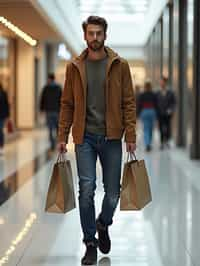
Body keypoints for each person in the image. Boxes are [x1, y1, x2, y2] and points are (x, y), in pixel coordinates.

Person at [57, 16, 136, 265]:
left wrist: (131, 136)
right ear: (85, 36)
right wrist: (62, 135)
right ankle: (90, 242)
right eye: (90, 33)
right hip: (85, 138)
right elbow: (67, 104)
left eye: (98, 33)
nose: (94, 38)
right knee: (87, 189)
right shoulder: (74, 67)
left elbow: (129, 102)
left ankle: (103, 223)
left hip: (112, 136)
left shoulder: (119, 65)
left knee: (113, 193)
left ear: (105, 35)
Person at [40, 73, 62, 151]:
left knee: (50, 129)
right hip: (57, 111)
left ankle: (53, 144)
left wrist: (42, 109)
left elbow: (42, 99)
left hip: (49, 111)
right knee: (57, 128)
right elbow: (62, 100)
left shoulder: (46, 88)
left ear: (49, 79)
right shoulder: (58, 87)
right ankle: (56, 143)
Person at [157, 76, 176, 149]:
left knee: (168, 127)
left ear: (165, 82)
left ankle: (167, 140)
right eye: (161, 81)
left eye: (163, 81)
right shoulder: (157, 92)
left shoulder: (170, 92)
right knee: (161, 128)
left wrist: (171, 109)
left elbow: (174, 102)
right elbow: (156, 102)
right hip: (160, 113)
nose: (161, 83)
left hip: (168, 113)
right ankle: (162, 142)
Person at [138, 80, 157, 152]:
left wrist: (138, 114)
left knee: (145, 129)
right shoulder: (153, 94)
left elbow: (139, 104)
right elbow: (156, 104)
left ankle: (147, 144)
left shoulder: (142, 94)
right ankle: (149, 143)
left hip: (144, 111)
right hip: (152, 111)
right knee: (151, 129)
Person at [0, 83, 10, 156]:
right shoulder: (4, 93)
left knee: (0, 130)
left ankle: (1, 146)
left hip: (2, 115)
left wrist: (7, 116)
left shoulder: (3, 93)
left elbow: (6, 104)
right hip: (3, 115)